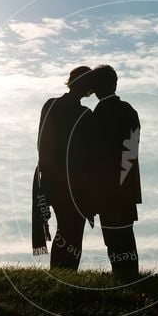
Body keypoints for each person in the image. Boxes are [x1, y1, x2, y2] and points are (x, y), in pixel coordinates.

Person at [33, 66, 94, 270]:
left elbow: (42, 142)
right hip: (69, 180)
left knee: (69, 226)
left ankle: (63, 270)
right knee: (72, 227)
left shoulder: (52, 105)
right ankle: (64, 270)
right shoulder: (84, 113)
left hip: (54, 177)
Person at [90, 65, 141, 277]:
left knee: (113, 235)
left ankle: (122, 274)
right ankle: (127, 274)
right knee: (124, 234)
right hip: (126, 184)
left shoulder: (99, 114)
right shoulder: (128, 110)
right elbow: (132, 148)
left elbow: (94, 154)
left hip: (108, 187)